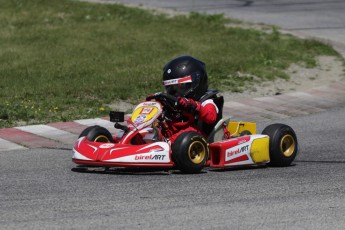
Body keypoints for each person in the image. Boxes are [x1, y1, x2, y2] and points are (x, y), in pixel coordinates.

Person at [156, 55, 224, 144]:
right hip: (179, 131)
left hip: (198, 137)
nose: (175, 92)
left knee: (186, 132)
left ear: (196, 83)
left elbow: (211, 116)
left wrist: (193, 106)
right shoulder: (178, 100)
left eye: (180, 86)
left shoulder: (207, 101)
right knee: (159, 125)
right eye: (171, 88)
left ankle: (165, 144)